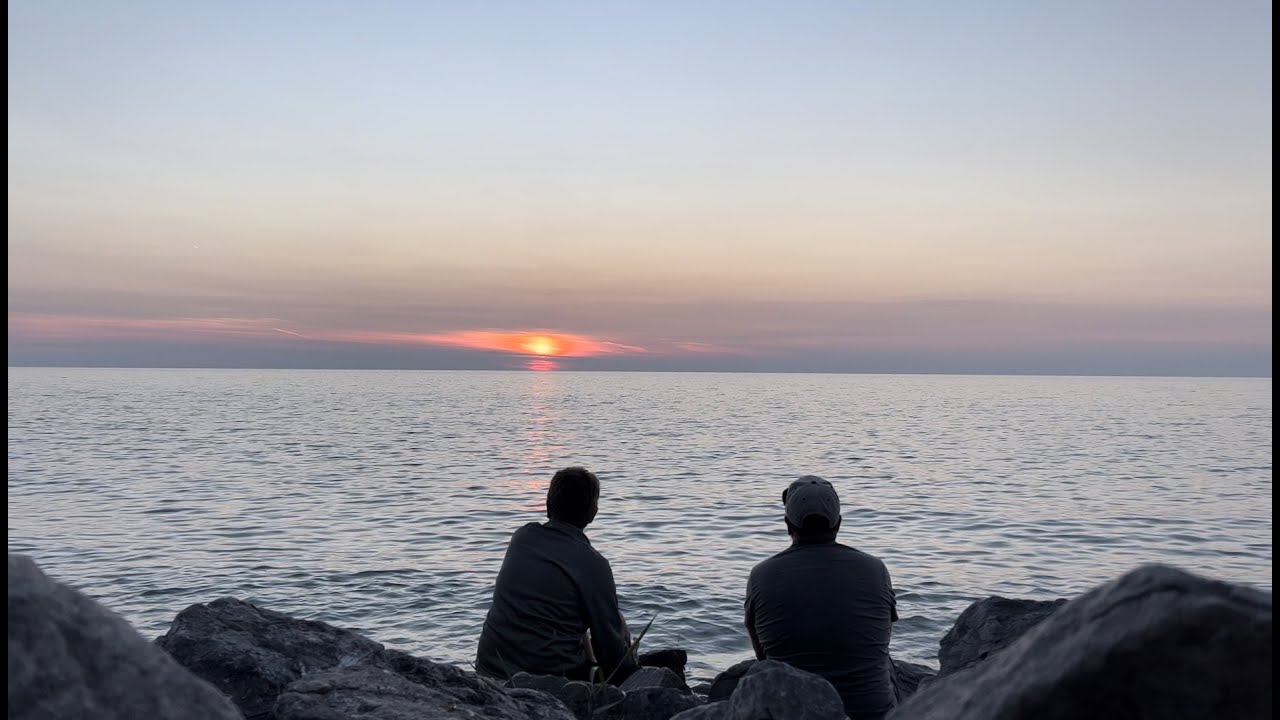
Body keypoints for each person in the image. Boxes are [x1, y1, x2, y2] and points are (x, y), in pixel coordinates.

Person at [744, 475, 898, 720]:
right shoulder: (875, 569)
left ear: (787, 524)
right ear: (838, 524)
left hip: (793, 713)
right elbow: (881, 638)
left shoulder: (761, 575)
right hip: (874, 715)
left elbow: (762, 657)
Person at [476, 466, 637, 683]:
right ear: (593, 512)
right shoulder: (594, 565)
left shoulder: (522, 538)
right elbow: (610, 652)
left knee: (568, 612)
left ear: (548, 505)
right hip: (548, 679)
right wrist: (630, 656)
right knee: (618, 624)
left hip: (490, 668)